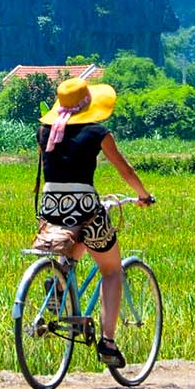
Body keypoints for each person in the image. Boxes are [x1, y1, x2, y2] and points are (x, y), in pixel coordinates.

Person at [36, 76, 155, 369]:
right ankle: (108, 343)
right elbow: (125, 170)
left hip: (50, 206)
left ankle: (61, 279)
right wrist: (143, 195)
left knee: (76, 236)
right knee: (111, 270)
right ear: (88, 104)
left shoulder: (45, 130)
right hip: (85, 206)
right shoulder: (97, 132)